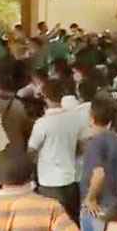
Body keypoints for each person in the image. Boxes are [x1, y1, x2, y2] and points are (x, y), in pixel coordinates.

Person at [28, 78, 89, 222]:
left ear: (45, 96)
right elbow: (82, 146)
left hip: (48, 180)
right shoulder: (76, 118)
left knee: (53, 220)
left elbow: (31, 150)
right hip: (71, 177)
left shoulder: (42, 123)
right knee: (72, 219)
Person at [81, 94, 117, 231]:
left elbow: (98, 173)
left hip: (97, 205)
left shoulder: (94, 143)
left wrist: (90, 198)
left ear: (91, 118)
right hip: (114, 200)